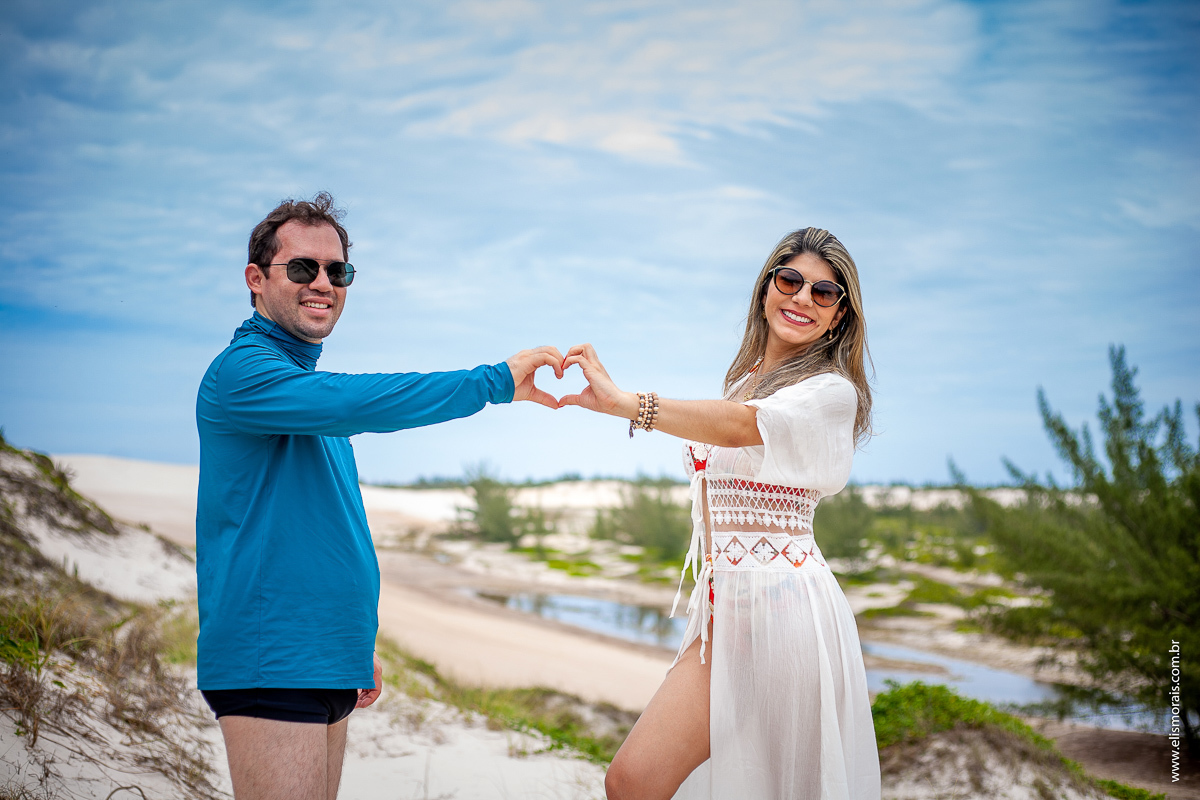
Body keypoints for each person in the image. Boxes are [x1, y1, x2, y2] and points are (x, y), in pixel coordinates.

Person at [195, 192, 563, 800]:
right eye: (303, 268)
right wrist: (493, 382)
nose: (323, 283)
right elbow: (359, 401)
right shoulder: (244, 373)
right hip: (272, 656)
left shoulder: (300, 385)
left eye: (337, 272)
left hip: (323, 653)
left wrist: (354, 638)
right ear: (256, 280)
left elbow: (328, 525)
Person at [560, 227, 882, 799]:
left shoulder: (831, 393)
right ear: (766, 290)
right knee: (633, 780)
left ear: (839, 316)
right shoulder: (744, 383)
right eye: (790, 280)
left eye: (824, 292)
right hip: (724, 610)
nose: (802, 298)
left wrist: (624, 403)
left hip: (788, 613)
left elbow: (742, 428)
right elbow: (731, 420)